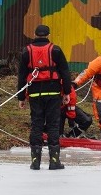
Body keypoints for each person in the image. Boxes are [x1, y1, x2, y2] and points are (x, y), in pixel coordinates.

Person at [18, 24, 72, 170]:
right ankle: (54, 161)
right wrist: (67, 92)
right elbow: (65, 72)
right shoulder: (55, 50)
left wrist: (21, 97)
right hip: (53, 93)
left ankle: (35, 162)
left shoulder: (26, 52)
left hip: (35, 93)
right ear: (48, 35)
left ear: (35, 34)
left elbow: (22, 75)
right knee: (53, 126)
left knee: (36, 125)